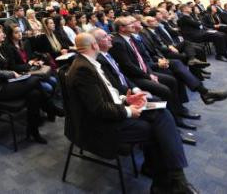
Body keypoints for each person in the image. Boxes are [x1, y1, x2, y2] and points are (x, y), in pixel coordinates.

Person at [66, 32, 197, 194]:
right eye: (105, 37)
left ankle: (174, 179)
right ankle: (166, 182)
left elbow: (108, 92)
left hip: (116, 108)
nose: (110, 38)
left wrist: (127, 99)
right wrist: (128, 110)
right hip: (100, 124)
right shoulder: (82, 69)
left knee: (161, 112)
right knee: (154, 130)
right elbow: (98, 109)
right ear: (94, 45)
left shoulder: (90, 63)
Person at [0, 24, 62, 143]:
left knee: (34, 94)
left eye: (2, 31)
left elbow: (11, 65)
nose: (3, 34)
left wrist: (18, 70)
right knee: (36, 79)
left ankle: (33, 131)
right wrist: (12, 73)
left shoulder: (1, 47)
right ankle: (51, 107)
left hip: (10, 83)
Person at [1, 24, 59, 100]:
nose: (19, 34)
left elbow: (29, 58)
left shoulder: (23, 43)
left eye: (20, 31)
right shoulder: (8, 48)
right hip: (22, 74)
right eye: (16, 32)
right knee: (48, 87)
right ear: (10, 35)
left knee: (54, 80)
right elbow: (13, 67)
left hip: (30, 70)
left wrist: (35, 62)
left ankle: (51, 101)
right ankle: (48, 103)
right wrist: (29, 64)